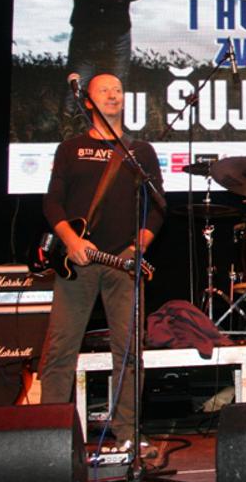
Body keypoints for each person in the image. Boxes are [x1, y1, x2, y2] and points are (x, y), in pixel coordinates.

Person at [39, 73, 165, 451]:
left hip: (123, 264)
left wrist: (139, 245)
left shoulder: (139, 151)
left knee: (129, 352)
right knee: (60, 349)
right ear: (88, 101)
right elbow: (52, 202)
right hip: (77, 262)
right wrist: (70, 239)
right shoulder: (70, 148)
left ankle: (127, 434)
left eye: (118, 90)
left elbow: (158, 207)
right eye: (104, 90)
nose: (113, 95)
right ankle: (50, 438)